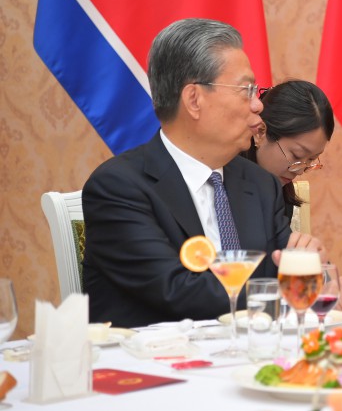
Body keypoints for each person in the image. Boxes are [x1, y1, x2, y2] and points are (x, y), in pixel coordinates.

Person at [83, 19, 300, 327]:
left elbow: (285, 268)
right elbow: (177, 291)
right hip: (154, 356)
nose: (258, 105)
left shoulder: (260, 184)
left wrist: (313, 269)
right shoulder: (118, 188)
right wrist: (291, 293)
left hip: (249, 351)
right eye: (246, 90)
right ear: (194, 99)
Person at [241, 79, 342, 313]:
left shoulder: (278, 193)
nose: (300, 170)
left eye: (311, 160)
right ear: (260, 133)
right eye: (297, 155)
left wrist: (324, 276)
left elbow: (286, 265)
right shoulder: (226, 180)